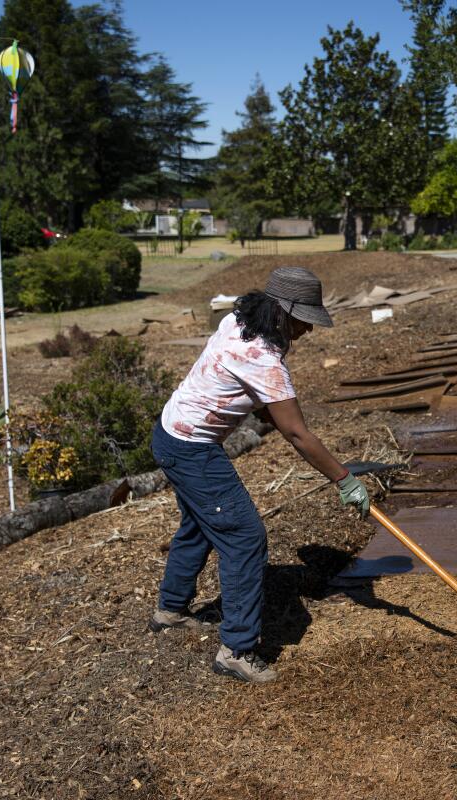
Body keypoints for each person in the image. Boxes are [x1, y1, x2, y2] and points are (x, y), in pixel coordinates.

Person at [149, 266, 370, 683]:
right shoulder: (263, 359)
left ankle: (171, 610)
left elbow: (258, 401)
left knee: (200, 525)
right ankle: (237, 649)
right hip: (192, 448)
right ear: (283, 312)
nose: (308, 329)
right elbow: (296, 432)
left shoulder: (237, 321)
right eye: (304, 319)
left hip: (170, 433)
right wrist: (344, 478)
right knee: (244, 537)